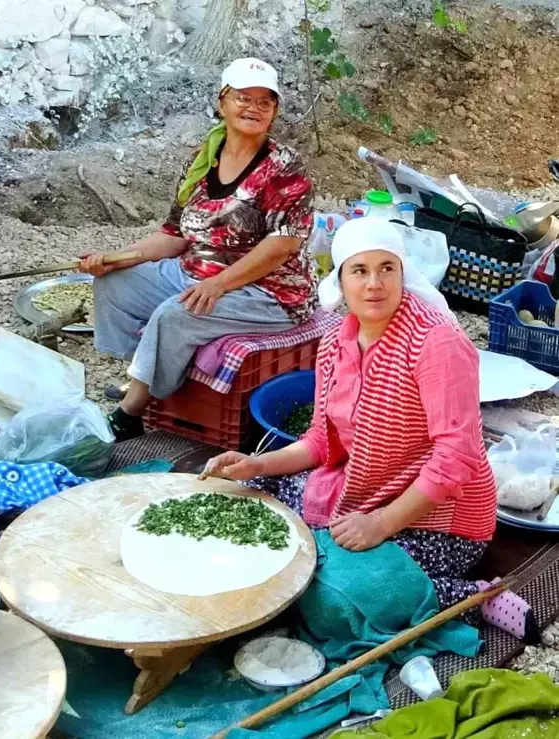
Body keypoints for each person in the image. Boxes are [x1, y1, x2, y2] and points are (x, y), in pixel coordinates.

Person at [203, 218, 538, 642]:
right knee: (246, 508)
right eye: (359, 271)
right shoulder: (335, 344)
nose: (374, 283)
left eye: (386, 268)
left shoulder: (436, 342)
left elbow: (457, 457)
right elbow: (321, 442)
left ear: (403, 274)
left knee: (328, 598)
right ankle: (340, 548)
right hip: (363, 489)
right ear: (341, 281)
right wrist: (255, 464)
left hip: (439, 520)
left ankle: (471, 598)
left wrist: (381, 523)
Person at [80, 58, 315, 442]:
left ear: (274, 112)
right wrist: (117, 257)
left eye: (264, 102)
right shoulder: (204, 158)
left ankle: (131, 413)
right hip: (199, 270)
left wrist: (220, 284)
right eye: (243, 98)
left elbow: (283, 244)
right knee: (117, 284)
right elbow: (175, 234)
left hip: (268, 291)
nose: (253, 108)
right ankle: (144, 377)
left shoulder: (285, 167)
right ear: (222, 103)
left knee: (176, 313)